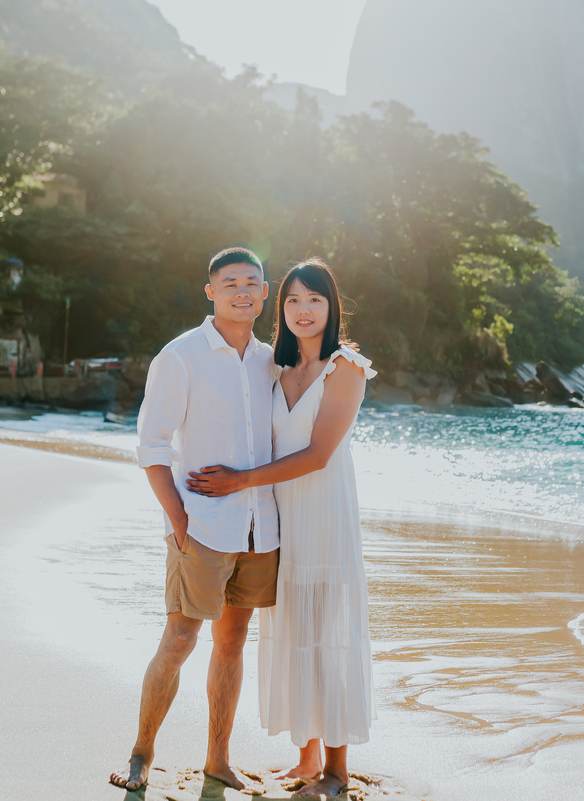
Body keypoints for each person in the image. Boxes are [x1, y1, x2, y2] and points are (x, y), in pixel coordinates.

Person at [187, 258, 376, 799]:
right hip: (279, 522)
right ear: (281, 307)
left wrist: (240, 480)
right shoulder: (277, 368)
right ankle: (306, 757)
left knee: (329, 635)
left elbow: (318, 455)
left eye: (314, 299)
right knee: (295, 631)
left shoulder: (347, 368)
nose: (303, 310)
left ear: (331, 306)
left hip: (326, 519)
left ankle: (337, 772)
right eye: (293, 300)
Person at [110, 247, 280, 793]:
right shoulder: (180, 356)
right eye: (230, 283)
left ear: (264, 291)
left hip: (260, 528)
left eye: (252, 282)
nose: (242, 291)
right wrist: (178, 519)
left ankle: (217, 758)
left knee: (232, 644)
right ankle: (141, 753)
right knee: (180, 639)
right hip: (201, 526)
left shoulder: (269, 360)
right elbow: (152, 446)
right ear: (210, 291)